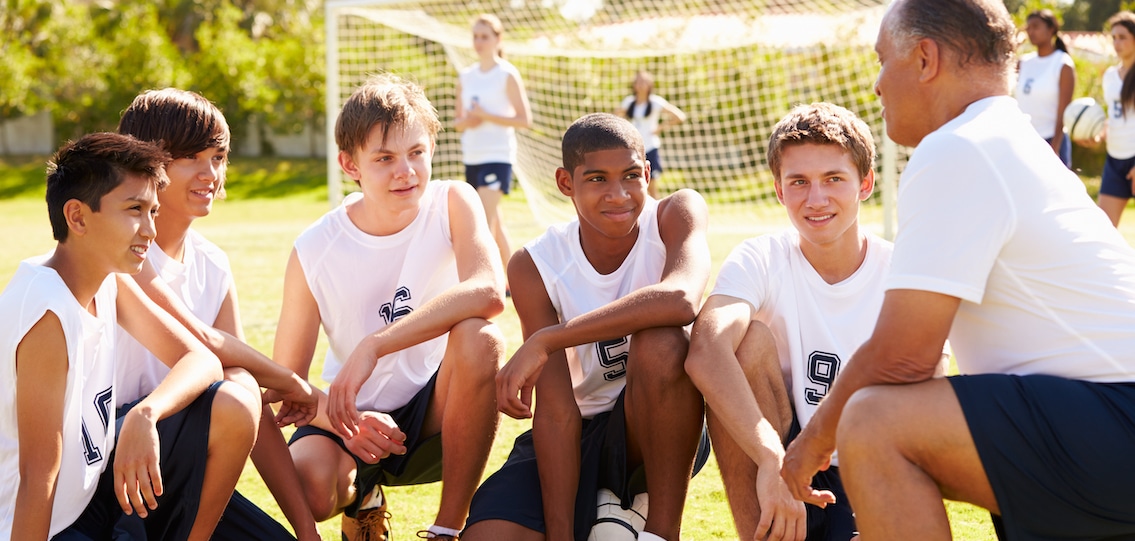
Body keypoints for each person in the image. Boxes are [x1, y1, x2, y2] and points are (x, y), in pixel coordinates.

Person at [781, 1, 1135, 540]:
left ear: (924, 59)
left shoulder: (959, 147)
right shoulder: (1005, 140)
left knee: (874, 422)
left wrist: (811, 443)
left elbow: (903, 359)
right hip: (1101, 416)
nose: (876, 85)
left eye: (882, 60)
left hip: (1116, 420)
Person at [275, 74, 506, 541]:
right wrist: (346, 420)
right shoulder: (314, 249)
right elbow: (285, 385)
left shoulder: (452, 201)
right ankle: (363, 498)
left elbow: (489, 290)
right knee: (310, 486)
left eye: (417, 152)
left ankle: (447, 528)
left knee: (480, 337)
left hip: (436, 408)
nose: (406, 171)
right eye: (384, 159)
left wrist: (374, 346)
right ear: (349, 164)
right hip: (349, 416)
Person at [463, 112, 712, 541]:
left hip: (655, 425)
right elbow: (558, 411)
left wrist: (550, 338)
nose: (619, 195)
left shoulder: (676, 213)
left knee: (662, 342)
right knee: (490, 535)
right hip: (577, 428)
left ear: (647, 173)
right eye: (597, 179)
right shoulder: (534, 264)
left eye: (631, 176)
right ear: (565, 183)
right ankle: (610, 510)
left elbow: (682, 298)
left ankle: (658, 530)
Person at [0, 132, 252, 540]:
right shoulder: (46, 310)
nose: (150, 230)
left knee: (233, 402)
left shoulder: (107, 280)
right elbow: (37, 476)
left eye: (153, 210)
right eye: (135, 209)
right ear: (77, 217)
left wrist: (145, 414)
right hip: (48, 526)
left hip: (94, 497)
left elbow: (202, 360)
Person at [115, 88, 322, 540]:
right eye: (191, 157)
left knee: (242, 385)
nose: (210, 172)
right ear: (147, 164)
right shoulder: (122, 253)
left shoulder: (213, 263)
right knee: (240, 382)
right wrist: (291, 383)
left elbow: (249, 408)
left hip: (178, 466)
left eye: (218, 156)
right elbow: (204, 344)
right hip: (116, 455)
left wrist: (308, 531)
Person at [686, 102, 889, 541]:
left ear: (865, 183)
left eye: (833, 179)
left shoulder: (901, 272)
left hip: (867, 461)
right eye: (799, 182)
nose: (816, 199)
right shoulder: (762, 257)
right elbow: (705, 350)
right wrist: (770, 457)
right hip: (780, 447)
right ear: (779, 190)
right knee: (745, 342)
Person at [455, 13, 532, 289]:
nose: (478, 41)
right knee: (494, 223)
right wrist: (471, 120)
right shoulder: (465, 76)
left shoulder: (507, 74)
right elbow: (458, 123)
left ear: (498, 39)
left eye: (484, 36)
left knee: (482, 223)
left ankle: (485, 285)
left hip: (498, 156)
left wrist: (488, 116)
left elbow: (524, 120)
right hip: (472, 157)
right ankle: (515, 283)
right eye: (475, 36)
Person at [1014, 9, 1074, 168]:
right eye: (1028, 27)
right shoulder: (1024, 62)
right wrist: (1014, 45)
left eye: (1035, 26)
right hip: (1024, 140)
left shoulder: (1062, 64)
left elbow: (1063, 111)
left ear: (1051, 29)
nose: (1030, 31)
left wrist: (1054, 148)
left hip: (1050, 139)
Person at [617, 70, 688, 199]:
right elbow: (614, 117)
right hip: (632, 148)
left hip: (650, 147)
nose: (640, 84)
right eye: (638, 81)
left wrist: (660, 128)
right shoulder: (629, 102)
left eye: (643, 81)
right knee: (632, 183)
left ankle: (656, 215)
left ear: (650, 84)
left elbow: (679, 116)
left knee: (651, 184)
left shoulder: (655, 102)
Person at [1099, 11, 1135, 226]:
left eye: (1122, 37)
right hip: (1114, 158)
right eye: (1114, 38)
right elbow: (1113, 116)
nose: (1117, 43)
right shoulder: (1110, 75)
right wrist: (1099, 134)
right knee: (1103, 229)